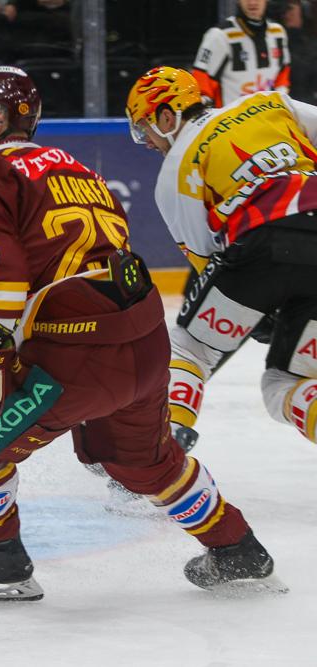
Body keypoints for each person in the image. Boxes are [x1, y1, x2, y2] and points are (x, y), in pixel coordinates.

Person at [0, 66, 281, 599]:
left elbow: (2, 271)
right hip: (145, 335)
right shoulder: (77, 168)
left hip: (75, 349)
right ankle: (235, 547)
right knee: (143, 461)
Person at [125, 66, 317, 452]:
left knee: (189, 348)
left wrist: (255, 312)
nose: (146, 142)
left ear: (167, 117)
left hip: (261, 241)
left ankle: (157, 450)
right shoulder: (268, 102)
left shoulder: (175, 170)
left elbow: (208, 259)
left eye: (144, 128)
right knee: (288, 381)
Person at [191, 0, 290, 107]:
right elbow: (202, 83)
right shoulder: (219, 35)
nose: (252, 2)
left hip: (269, 114)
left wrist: (282, 103)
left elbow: (282, 77)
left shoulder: (278, 33)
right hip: (231, 116)